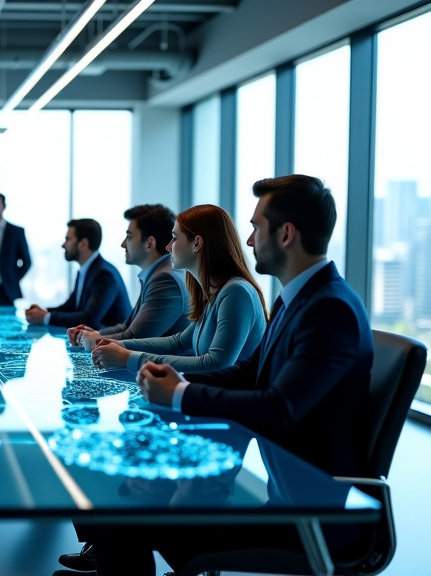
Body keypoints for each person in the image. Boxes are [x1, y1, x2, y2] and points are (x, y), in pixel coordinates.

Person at [60, 175, 374, 576]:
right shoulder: (299, 300)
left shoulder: (329, 309)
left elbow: (279, 408)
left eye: (257, 227)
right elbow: (247, 371)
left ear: (286, 234)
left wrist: (178, 394)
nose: (248, 240)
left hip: (306, 517)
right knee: (116, 506)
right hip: (281, 494)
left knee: (118, 511)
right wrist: (162, 377)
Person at [88, 204, 267, 373]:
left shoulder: (236, 292)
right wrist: (119, 346)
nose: (168, 247)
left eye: (174, 238)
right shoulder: (215, 292)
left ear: (196, 243)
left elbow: (216, 363)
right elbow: (178, 342)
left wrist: (128, 358)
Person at [66, 204, 189, 347]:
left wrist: (91, 340)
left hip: (169, 368)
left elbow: (135, 338)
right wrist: (94, 334)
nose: (123, 244)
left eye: (129, 236)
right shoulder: (158, 273)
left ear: (149, 243)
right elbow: (127, 327)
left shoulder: (165, 279)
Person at [25, 218, 130, 327]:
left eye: (68, 239)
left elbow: (90, 318)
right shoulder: (85, 270)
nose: (63, 245)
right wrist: (43, 311)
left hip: (111, 342)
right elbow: (71, 306)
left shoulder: (104, 275)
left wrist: (46, 317)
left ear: (83, 243)